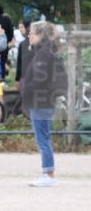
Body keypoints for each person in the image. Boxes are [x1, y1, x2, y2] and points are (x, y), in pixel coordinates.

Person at [22, 21, 67, 187]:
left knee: (42, 139)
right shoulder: (47, 51)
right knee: (43, 138)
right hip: (44, 99)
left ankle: (48, 174)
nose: (29, 35)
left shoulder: (43, 53)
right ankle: (47, 172)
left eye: (32, 33)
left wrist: (27, 90)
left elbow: (40, 80)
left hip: (41, 100)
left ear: (40, 35)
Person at [14, 19, 32, 92]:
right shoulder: (22, 44)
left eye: (22, 27)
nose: (20, 30)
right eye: (19, 27)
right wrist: (17, 79)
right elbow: (20, 62)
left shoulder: (32, 43)